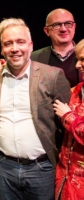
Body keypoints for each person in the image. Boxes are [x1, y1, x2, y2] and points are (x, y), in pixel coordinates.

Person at [0, 18, 71, 200]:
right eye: (8, 43)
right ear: (2, 49)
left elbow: (66, 123)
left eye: (20, 42)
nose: (14, 48)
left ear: (30, 45)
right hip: (5, 168)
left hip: (41, 168)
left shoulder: (52, 76)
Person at [0, 8, 78, 88]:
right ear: (47, 31)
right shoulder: (32, 57)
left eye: (68, 24)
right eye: (56, 25)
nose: (63, 29)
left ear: (74, 27)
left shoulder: (82, 54)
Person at [53, 38, 84, 200]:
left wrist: (68, 117)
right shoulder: (77, 90)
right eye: (78, 59)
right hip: (65, 178)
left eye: (83, 59)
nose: (78, 65)